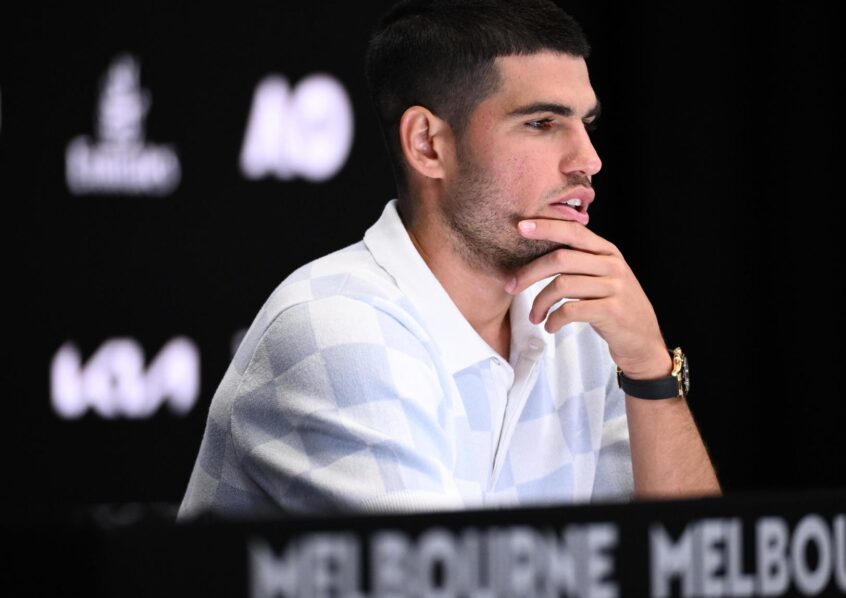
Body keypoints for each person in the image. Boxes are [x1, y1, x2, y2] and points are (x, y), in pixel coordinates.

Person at [179, 0, 720, 519]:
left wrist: (650, 370)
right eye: (542, 123)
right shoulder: (335, 325)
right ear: (428, 145)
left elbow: (696, 568)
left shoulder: (580, 325)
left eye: (586, 123)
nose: (589, 160)